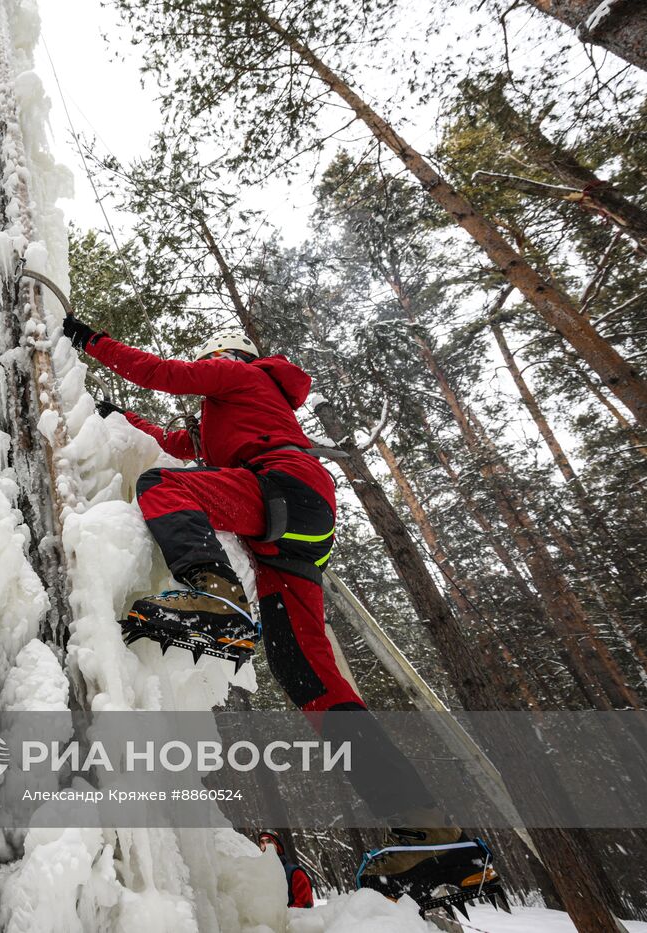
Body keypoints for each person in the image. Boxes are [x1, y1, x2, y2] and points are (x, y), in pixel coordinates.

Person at [62, 317, 501, 906]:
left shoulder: (239, 375)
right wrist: (119, 416)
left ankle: (213, 590)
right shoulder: (246, 410)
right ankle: (426, 826)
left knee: (163, 487)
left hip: (281, 490)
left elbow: (167, 376)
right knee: (307, 676)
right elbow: (178, 441)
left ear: (224, 356)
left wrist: (90, 342)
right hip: (298, 526)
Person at [257, 831, 315, 908]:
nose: (265, 846)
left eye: (269, 841)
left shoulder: (295, 873)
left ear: (278, 846)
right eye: (262, 842)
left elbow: (304, 907)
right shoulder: (260, 875)